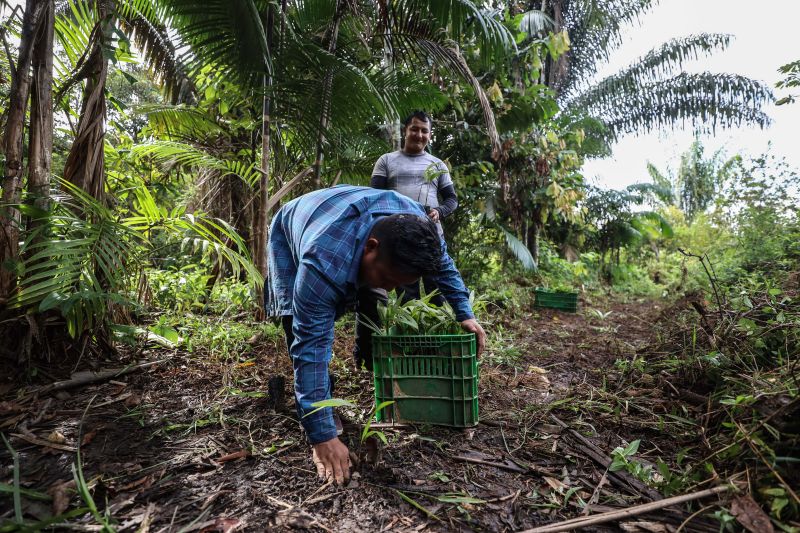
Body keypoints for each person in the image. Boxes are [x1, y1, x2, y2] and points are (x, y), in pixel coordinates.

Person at [265, 185, 485, 486]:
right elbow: (311, 346)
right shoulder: (323, 261)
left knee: (374, 295)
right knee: (296, 319)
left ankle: (362, 359)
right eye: (386, 278)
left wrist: (465, 313)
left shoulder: (422, 228)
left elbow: (444, 266)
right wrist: (321, 436)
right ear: (370, 247)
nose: (391, 288)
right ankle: (319, 406)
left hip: (351, 223)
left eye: (399, 283)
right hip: (294, 223)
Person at [371, 110, 458, 305]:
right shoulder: (386, 160)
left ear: (429, 134)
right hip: (400, 239)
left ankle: (437, 325)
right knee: (407, 297)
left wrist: (439, 211)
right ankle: (410, 326)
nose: (419, 135)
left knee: (437, 293)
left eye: (424, 131)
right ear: (405, 130)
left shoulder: (437, 165)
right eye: (414, 129)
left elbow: (452, 199)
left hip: (432, 237)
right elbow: (374, 197)